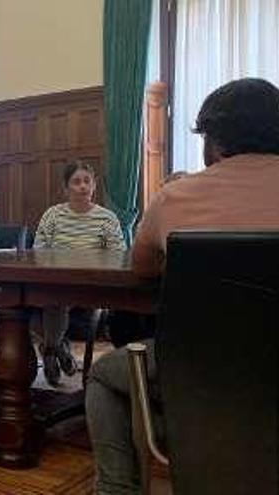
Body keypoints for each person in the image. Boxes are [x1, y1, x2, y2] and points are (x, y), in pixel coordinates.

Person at [87, 78, 279, 494]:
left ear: (213, 142)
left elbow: (142, 268)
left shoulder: (175, 197)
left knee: (104, 376)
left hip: (205, 364)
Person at [32, 162, 125, 386]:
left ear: (94, 186)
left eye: (87, 181)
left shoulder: (107, 218)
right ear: (66, 188)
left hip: (91, 285)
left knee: (53, 300)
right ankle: (59, 349)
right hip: (54, 281)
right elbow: (38, 251)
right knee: (26, 303)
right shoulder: (52, 215)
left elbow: (119, 255)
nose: (83, 186)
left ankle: (49, 350)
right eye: (76, 182)